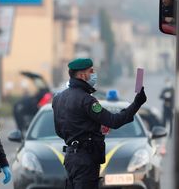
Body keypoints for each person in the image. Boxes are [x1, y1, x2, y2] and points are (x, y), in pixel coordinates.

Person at [53, 58, 147, 189]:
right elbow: (114, 121)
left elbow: (59, 130)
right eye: (91, 71)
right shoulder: (87, 100)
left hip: (70, 157)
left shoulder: (58, 98)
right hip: (86, 160)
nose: (94, 74)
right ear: (82, 75)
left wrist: (82, 133)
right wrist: (137, 103)